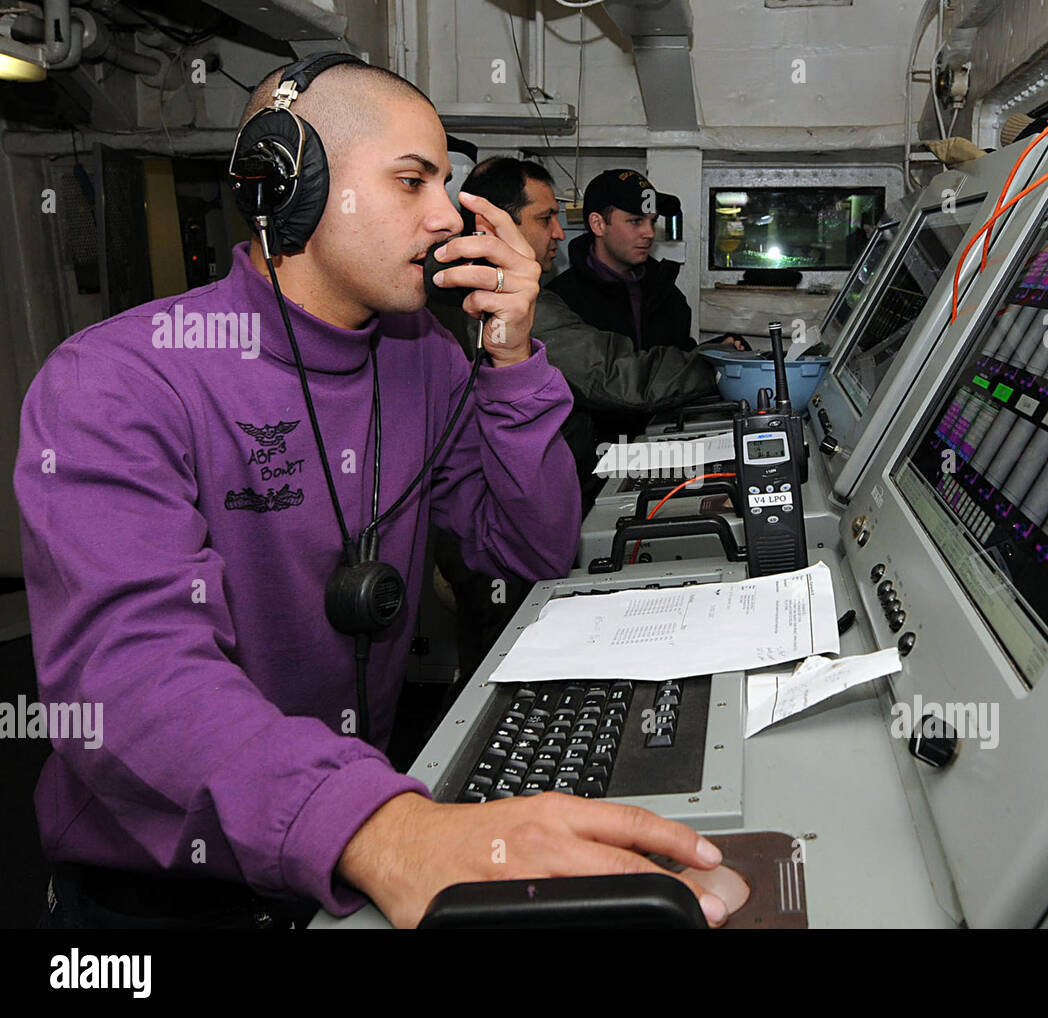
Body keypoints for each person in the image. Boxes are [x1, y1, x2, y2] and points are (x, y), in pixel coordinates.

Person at [14, 57, 731, 930]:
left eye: (448, 183)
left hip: (354, 830)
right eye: (412, 181)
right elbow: (132, 685)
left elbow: (531, 551)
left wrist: (511, 360)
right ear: (292, 187)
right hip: (171, 895)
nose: (447, 217)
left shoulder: (421, 358)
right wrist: (386, 832)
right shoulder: (117, 381)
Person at [447, 157, 742, 509]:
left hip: (566, 479)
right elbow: (615, 375)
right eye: (545, 218)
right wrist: (721, 366)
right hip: (544, 494)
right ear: (490, 225)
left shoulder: (664, 293)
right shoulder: (509, 303)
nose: (558, 231)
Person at [549, 168, 696, 356]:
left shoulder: (666, 294)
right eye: (636, 221)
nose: (649, 233)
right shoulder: (562, 301)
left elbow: (681, 362)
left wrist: (711, 354)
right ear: (598, 224)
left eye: (652, 221)